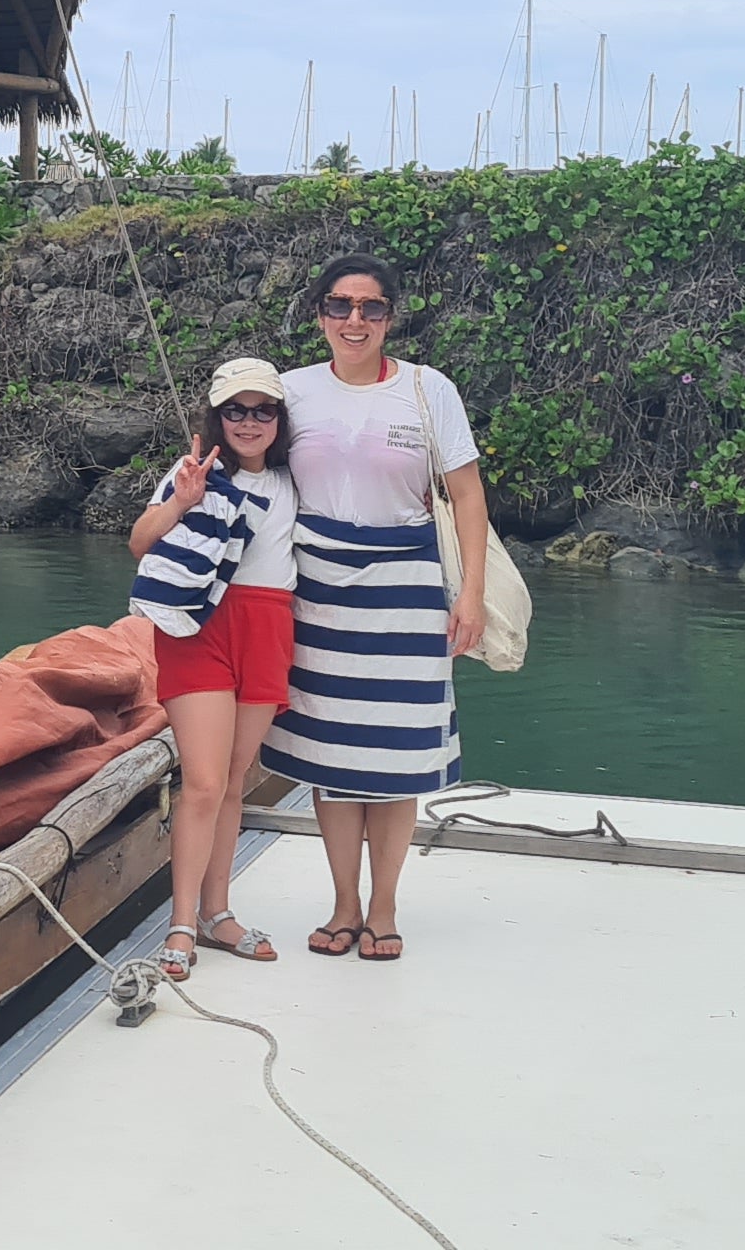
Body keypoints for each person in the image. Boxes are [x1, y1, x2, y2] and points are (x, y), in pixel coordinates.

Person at [261, 253, 487, 963]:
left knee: (393, 754)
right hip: (315, 584)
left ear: (391, 317)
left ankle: (383, 908)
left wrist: (471, 593)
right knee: (331, 756)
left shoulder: (427, 391)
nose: (353, 320)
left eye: (370, 307)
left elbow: (467, 495)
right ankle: (343, 904)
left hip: (408, 582)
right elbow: (250, 478)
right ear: (318, 314)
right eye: (338, 305)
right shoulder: (290, 392)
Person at [126, 358, 297, 979]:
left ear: (279, 419)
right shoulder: (195, 471)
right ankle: (181, 921)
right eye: (236, 410)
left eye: (263, 410)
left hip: (269, 625)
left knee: (232, 778)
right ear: (217, 417)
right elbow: (140, 541)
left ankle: (217, 912)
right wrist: (182, 502)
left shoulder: (292, 483)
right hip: (201, 625)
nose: (249, 422)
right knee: (201, 780)